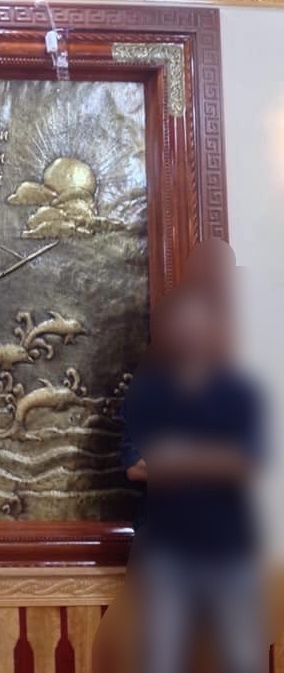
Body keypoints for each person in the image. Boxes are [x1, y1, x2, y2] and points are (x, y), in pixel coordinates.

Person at [121, 240, 266, 673]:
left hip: (230, 549)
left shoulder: (239, 392)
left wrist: (174, 458)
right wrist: (212, 460)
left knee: (241, 659)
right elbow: (134, 466)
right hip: (165, 551)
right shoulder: (146, 394)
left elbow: (247, 463)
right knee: (161, 660)